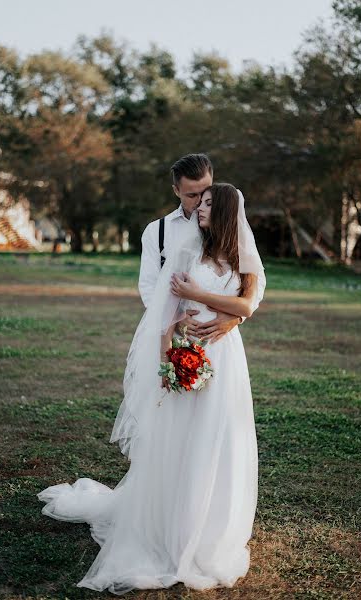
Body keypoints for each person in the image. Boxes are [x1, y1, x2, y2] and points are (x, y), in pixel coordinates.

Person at [37, 182, 266, 595]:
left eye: (210, 203)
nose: (200, 208)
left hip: (226, 356)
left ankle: (210, 530)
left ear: (228, 211)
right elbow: (166, 313)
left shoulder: (241, 256)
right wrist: (168, 360)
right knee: (181, 439)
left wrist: (204, 299)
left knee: (218, 439)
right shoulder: (186, 250)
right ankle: (170, 527)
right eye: (199, 200)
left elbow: (247, 305)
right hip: (187, 350)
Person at [139, 153, 244, 343]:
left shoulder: (232, 228)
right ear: (176, 191)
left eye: (205, 192)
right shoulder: (157, 231)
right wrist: (175, 320)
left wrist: (236, 318)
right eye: (191, 195)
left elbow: (254, 283)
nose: (199, 201)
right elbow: (149, 286)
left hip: (221, 338)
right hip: (174, 337)